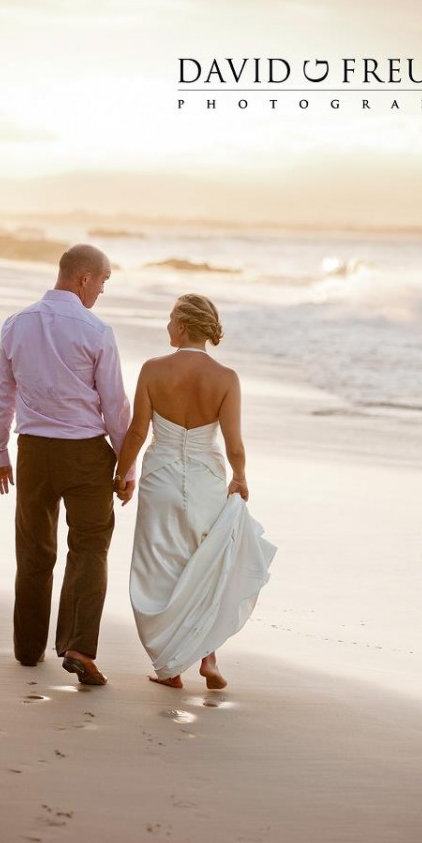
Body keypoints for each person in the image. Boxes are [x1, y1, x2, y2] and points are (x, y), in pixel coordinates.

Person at [0, 244, 134, 686]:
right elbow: (115, 407)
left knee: (34, 550)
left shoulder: (16, 324)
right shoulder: (97, 330)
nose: (102, 292)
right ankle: (77, 647)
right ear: (84, 278)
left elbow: (1, 396)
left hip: (33, 451)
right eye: (103, 282)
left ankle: (29, 649)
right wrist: (125, 469)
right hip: (86, 452)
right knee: (89, 549)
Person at [115, 293, 276, 689]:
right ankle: (209, 658)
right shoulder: (226, 378)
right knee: (205, 563)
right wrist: (240, 476)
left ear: (183, 325)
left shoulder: (153, 370)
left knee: (160, 563)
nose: (167, 327)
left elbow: (138, 431)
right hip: (205, 477)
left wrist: (121, 473)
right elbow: (235, 443)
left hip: (161, 476)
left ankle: (170, 666)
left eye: (170, 320)